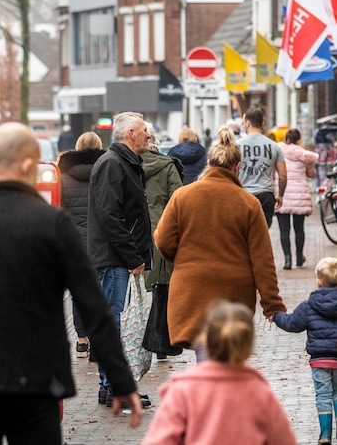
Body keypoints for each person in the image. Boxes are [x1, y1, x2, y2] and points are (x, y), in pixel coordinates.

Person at [0, 123, 144, 443]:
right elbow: (95, 308)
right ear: (27, 164)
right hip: (37, 383)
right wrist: (121, 381)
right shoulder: (52, 224)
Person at [154, 127, 286, 352]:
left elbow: (163, 241)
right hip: (233, 294)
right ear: (238, 167)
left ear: (208, 163)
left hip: (191, 289)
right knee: (228, 353)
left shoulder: (182, 197)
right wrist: (271, 304)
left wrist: (183, 258)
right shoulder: (248, 203)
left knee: (204, 349)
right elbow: (262, 260)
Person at [141, 301, 296, 445]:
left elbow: (159, 440)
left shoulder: (182, 391)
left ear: (204, 340)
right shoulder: (259, 393)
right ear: (248, 350)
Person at [87, 111, 153, 405]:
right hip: (115, 259)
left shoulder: (123, 163)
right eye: (144, 130)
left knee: (119, 322)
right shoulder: (114, 164)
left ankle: (114, 385)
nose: (148, 135)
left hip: (118, 257)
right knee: (115, 322)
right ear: (130, 135)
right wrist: (131, 255)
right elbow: (110, 215)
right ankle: (113, 386)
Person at [273, 257, 337, 444]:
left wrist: (276, 316)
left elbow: (292, 323)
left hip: (319, 359)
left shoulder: (309, 306)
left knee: (323, 394)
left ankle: (325, 434)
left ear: (318, 281)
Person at [58, 131, 106, 359]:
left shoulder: (63, 175)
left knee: (79, 291)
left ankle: (81, 339)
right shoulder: (107, 170)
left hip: (75, 241)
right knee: (102, 289)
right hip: (102, 241)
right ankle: (99, 338)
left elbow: (61, 210)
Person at [140, 122, 184, 357]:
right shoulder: (167, 166)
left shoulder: (122, 165)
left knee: (135, 292)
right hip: (161, 233)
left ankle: (135, 340)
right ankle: (161, 344)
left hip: (134, 234)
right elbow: (178, 200)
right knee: (162, 288)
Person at [274, 128, 318, 269]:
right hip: (299, 195)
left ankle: (287, 260)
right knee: (299, 229)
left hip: (283, 194)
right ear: (299, 141)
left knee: (284, 230)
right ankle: (299, 257)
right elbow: (311, 174)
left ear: (286, 140)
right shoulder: (305, 156)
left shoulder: (277, 152)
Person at [237, 107, 287, 227]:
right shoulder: (274, 146)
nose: (244, 125)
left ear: (248, 123)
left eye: (244, 123)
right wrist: (280, 195)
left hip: (243, 194)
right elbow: (283, 176)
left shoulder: (237, 146)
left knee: (243, 233)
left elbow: (230, 171)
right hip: (266, 195)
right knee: (262, 234)